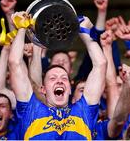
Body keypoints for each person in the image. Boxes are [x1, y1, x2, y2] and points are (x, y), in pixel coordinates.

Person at [8, 11, 107, 140]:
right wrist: (21, 27)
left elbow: (101, 65)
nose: (59, 81)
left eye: (64, 78)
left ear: (70, 88)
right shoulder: (30, 110)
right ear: (43, 89)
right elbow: (14, 63)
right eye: (53, 78)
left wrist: (85, 32)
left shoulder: (84, 111)